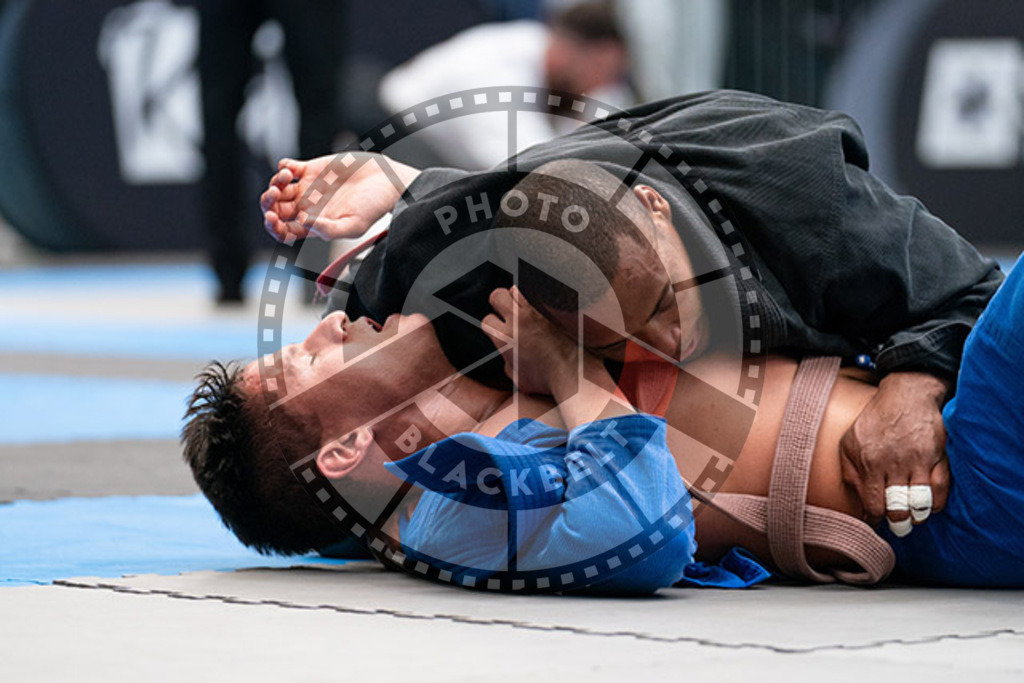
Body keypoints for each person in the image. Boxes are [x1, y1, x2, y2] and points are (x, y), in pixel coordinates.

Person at [260, 91, 1004, 538]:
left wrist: (918, 373)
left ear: (655, 210)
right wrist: (406, 195)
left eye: (664, 302)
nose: (668, 339)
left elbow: (967, 287)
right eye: (625, 336)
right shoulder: (466, 294)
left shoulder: (804, 197)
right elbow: (334, 408)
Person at [181, 254, 1024, 590]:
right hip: (958, 489)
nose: (329, 325)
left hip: (951, 430)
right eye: (308, 360)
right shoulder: (444, 516)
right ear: (346, 448)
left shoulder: (469, 413)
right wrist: (570, 374)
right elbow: (647, 529)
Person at [377, 1, 632, 170]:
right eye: (603, 71)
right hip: (398, 136)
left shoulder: (559, 79)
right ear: (572, 53)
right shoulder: (497, 67)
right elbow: (523, 163)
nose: (602, 85)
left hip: (442, 155)